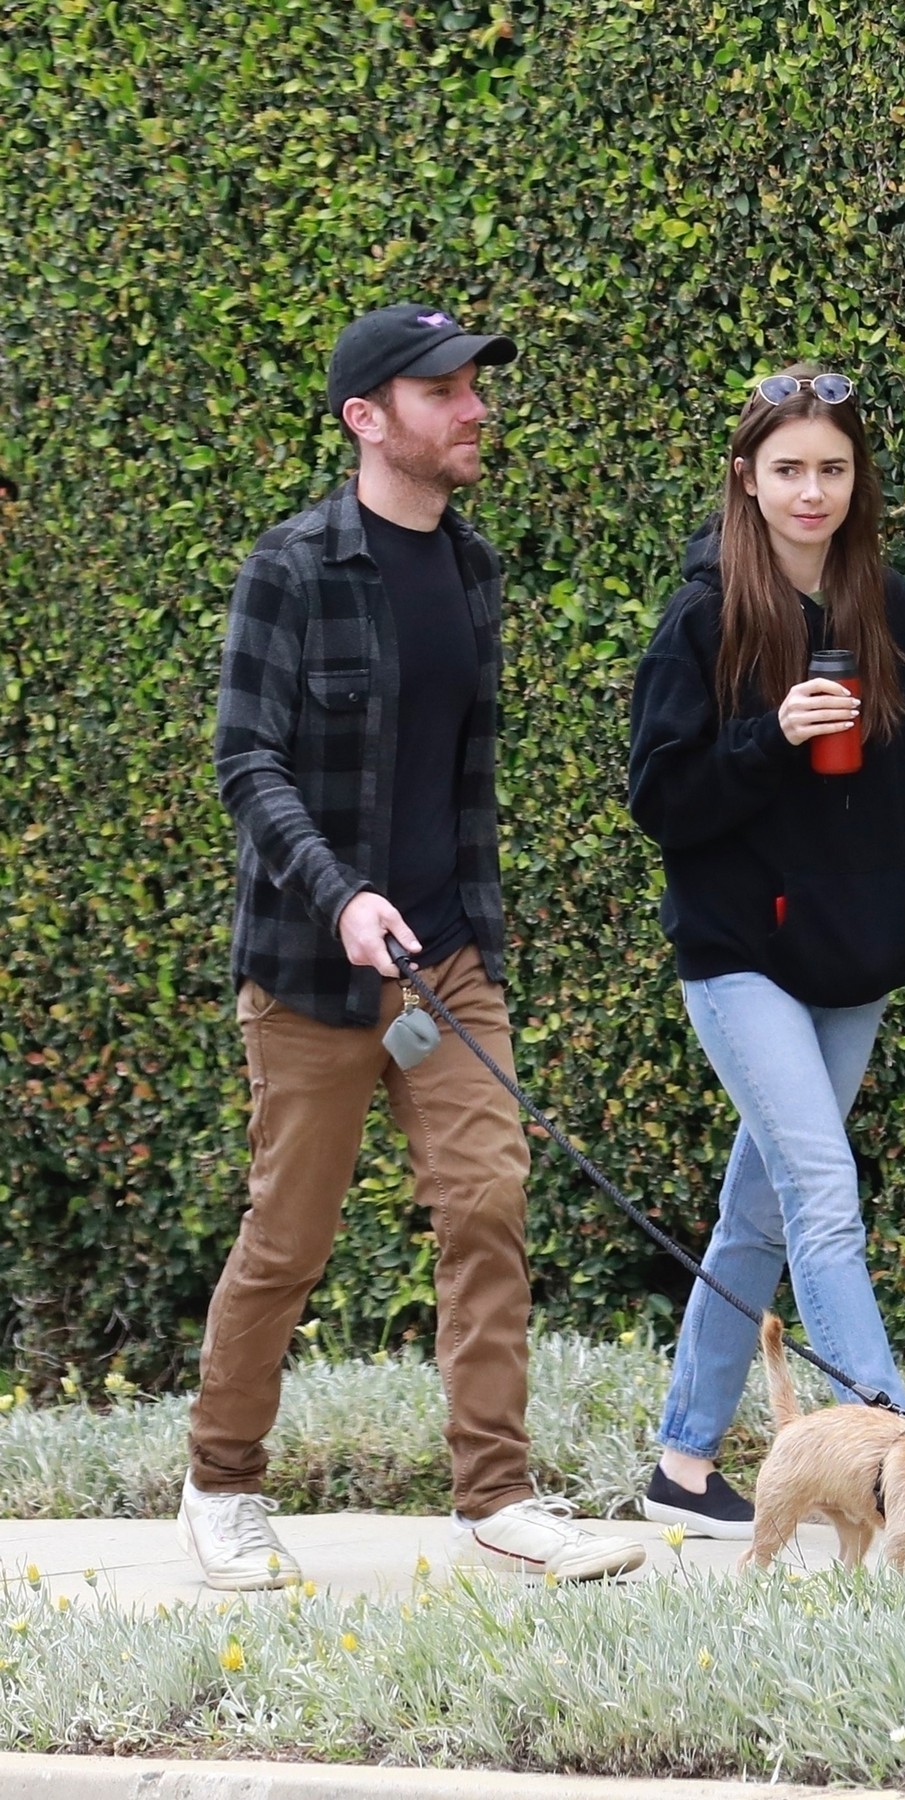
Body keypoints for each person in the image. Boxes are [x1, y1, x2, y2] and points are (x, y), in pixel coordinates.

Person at [180, 302, 644, 1588]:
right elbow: (246, 760)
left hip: (447, 962)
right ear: (367, 419)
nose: (475, 407)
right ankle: (221, 1483)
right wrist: (338, 893)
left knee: (489, 1207)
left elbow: (461, 782)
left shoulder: (475, 571)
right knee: (292, 1238)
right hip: (313, 970)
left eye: (473, 386)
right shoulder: (291, 566)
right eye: (444, 390)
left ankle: (497, 1494)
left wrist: (471, 937)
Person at [628, 366, 905, 1540]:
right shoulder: (705, 617)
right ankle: (899, 1457)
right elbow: (660, 800)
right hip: (739, 960)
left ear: (854, 477)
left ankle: (682, 1456)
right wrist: (767, 738)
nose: (810, 491)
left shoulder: (893, 613)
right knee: (822, 1194)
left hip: (855, 960)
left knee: (760, 1216)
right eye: (788, 469)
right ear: (748, 479)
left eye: (831, 467)